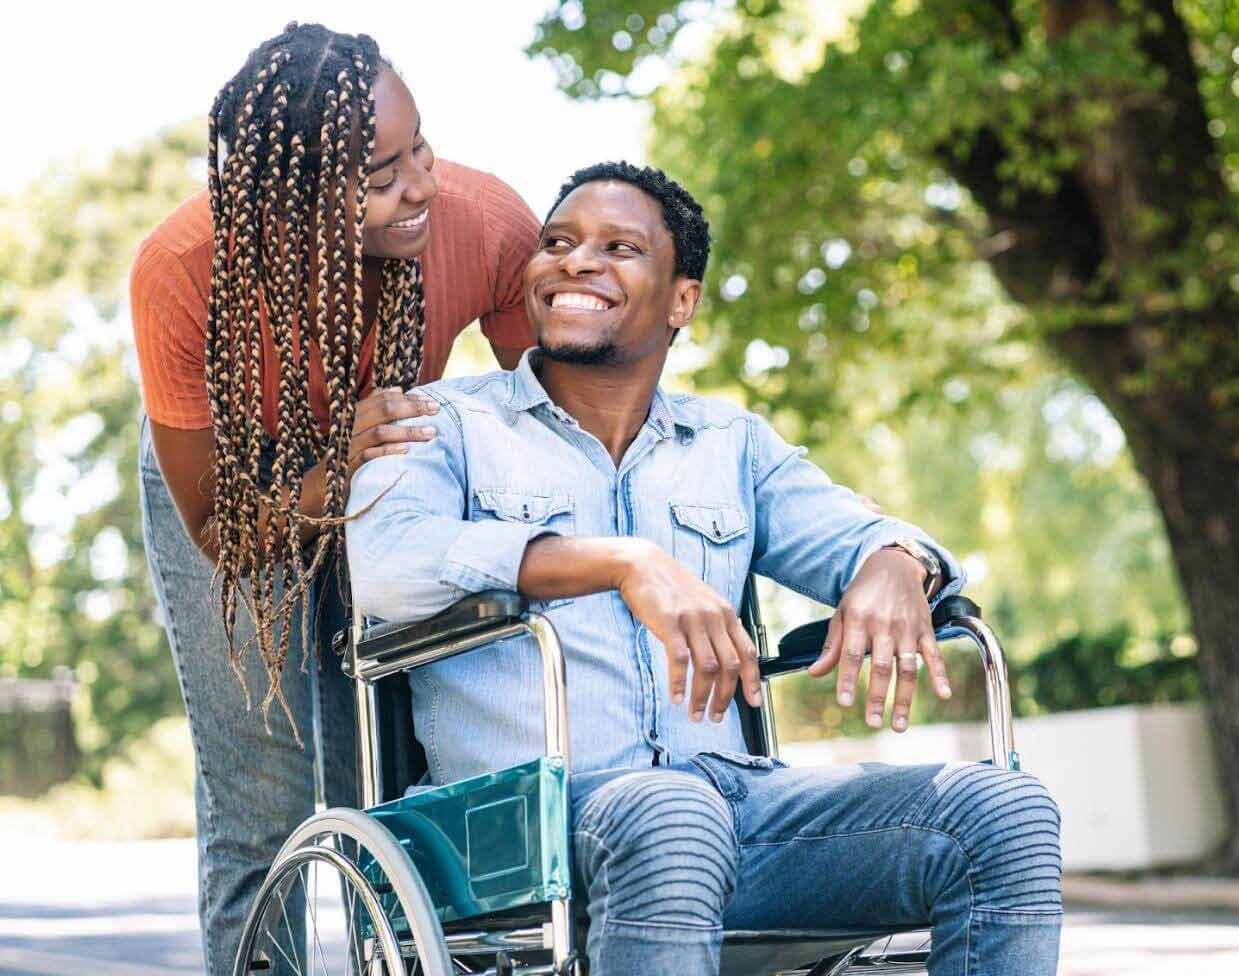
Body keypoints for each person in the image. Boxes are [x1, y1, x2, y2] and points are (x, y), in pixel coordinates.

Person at [346, 162, 1063, 975]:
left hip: (735, 810)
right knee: (669, 814)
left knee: (1003, 811)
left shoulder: (731, 446)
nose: (576, 262)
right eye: (558, 243)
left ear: (681, 299)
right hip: (518, 823)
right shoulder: (442, 423)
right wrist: (617, 562)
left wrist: (898, 561)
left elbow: (861, 533)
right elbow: (384, 567)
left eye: (619, 247)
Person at [130, 23, 538, 973]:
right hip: (241, 484)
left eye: (421, 149)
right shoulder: (183, 271)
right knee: (262, 795)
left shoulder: (486, 225)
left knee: (399, 769)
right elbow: (218, 533)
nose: (424, 185)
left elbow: (553, 431)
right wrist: (330, 475)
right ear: (287, 204)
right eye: (383, 175)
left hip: (395, 467)